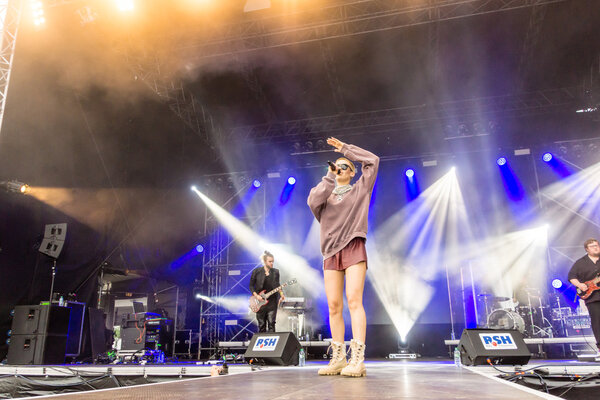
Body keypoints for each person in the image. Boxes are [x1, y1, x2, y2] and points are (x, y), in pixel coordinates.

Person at [307, 137, 379, 377]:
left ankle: (357, 360)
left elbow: (373, 160)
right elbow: (312, 201)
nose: (340, 168)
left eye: (345, 166)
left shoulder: (360, 189)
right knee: (333, 305)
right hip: (330, 252)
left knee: (353, 300)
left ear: (352, 172)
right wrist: (329, 176)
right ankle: (338, 358)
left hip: (353, 246)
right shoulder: (324, 195)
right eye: (337, 165)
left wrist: (346, 150)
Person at [568, 238, 600, 355]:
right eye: (592, 246)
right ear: (587, 249)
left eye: (597, 245)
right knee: (597, 322)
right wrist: (580, 285)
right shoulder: (580, 263)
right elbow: (571, 276)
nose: (596, 247)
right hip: (592, 297)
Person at [249, 250, 285, 332]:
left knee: (271, 323)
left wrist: (281, 294)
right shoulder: (256, 271)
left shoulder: (276, 272)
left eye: (273, 261)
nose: (272, 263)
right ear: (265, 261)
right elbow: (251, 285)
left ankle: (273, 343)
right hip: (260, 302)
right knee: (261, 325)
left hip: (272, 301)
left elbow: (277, 285)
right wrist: (257, 296)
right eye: (270, 261)